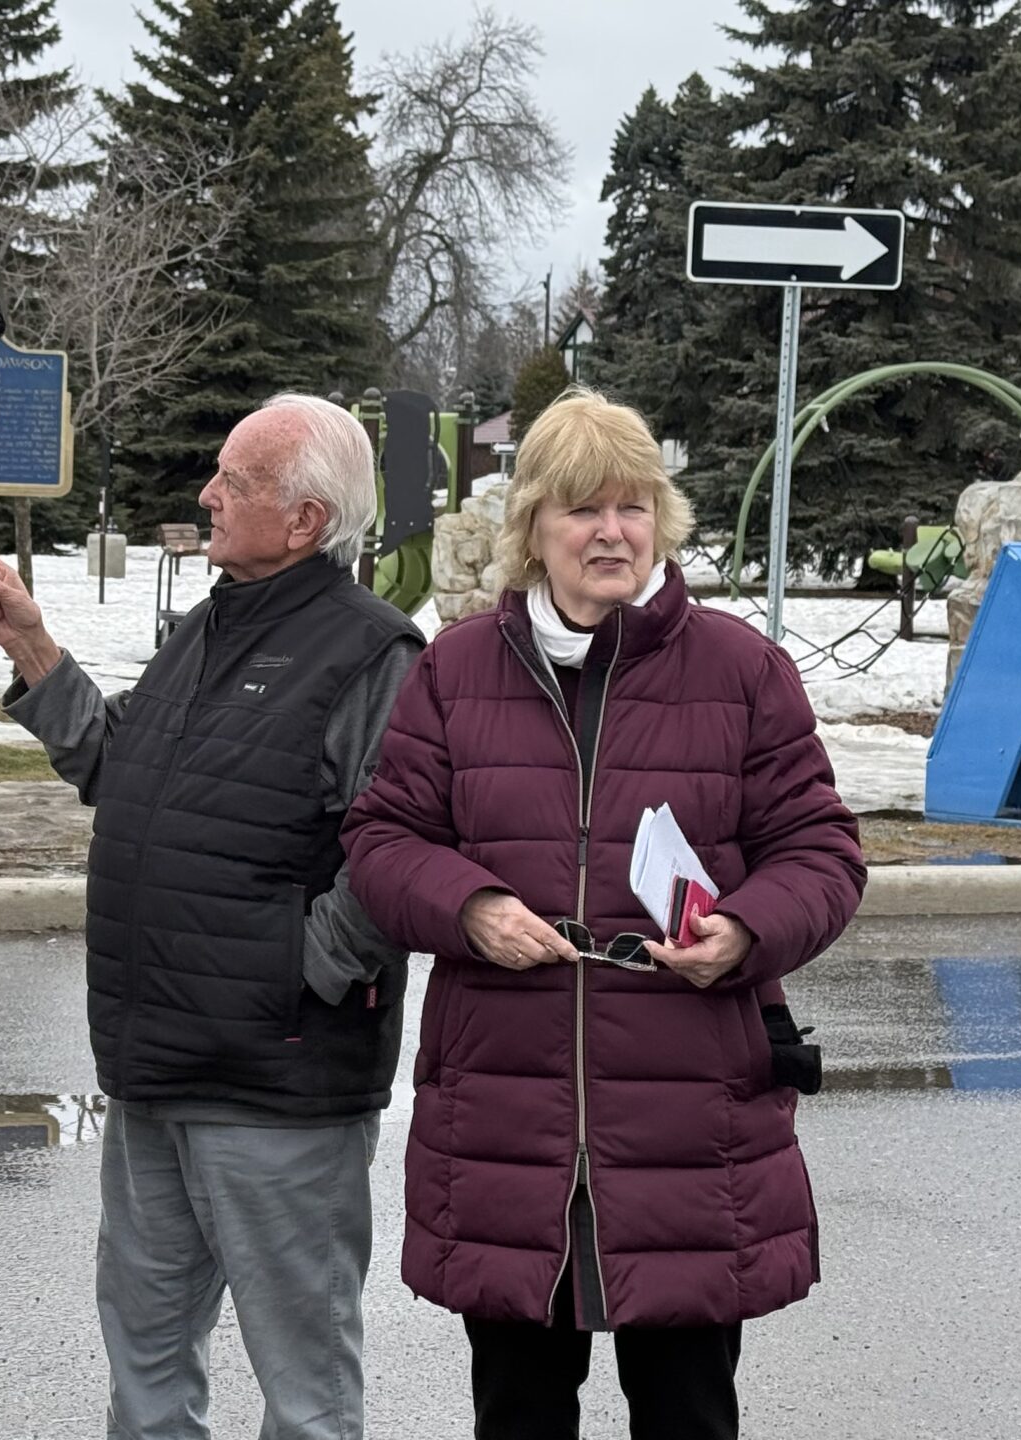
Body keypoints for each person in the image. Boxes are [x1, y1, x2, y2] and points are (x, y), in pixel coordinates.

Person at [340, 390, 864, 1440]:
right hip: (508, 1126)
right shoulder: (455, 669)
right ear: (533, 525)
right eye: (583, 509)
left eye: (633, 507)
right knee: (518, 1416)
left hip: (689, 1130)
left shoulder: (742, 671)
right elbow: (381, 841)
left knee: (687, 1417)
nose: (612, 532)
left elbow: (822, 853)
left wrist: (746, 931)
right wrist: (471, 907)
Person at [0, 393, 423, 1440]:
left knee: (305, 1395)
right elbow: (116, 763)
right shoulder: (209, 627)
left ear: (305, 521)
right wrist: (31, 644)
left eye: (235, 481)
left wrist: (300, 966)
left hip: (278, 1086)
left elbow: (400, 847)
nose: (207, 495)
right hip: (154, 1071)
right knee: (147, 1371)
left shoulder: (372, 654)